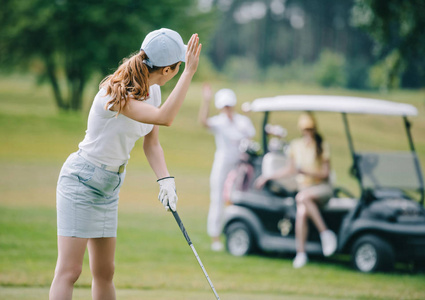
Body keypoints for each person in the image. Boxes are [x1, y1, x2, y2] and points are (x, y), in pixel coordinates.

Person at [49, 28, 201, 300]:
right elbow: (166, 118)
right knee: (70, 271)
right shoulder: (115, 91)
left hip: (110, 186)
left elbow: (151, 142)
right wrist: (189, 72)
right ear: (168, 70)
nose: (180, 70)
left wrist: (165, 179)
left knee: (105, 272)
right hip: (81, 181)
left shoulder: (153, 93)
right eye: (178, 67)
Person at [254, 112, 337, 268]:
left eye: (310, 129)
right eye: (305, 130)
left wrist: (306, 172)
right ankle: (301, 253)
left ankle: (325, 233)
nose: (308, 133)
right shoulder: (296, 145)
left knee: (302, 198)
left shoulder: (322, 146)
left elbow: (325, 174)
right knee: (302, 212)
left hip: (321, 189)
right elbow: (289, 169)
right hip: (305, 190)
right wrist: (268, 176)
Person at [199, 84, 255, 251]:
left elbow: (250, 138)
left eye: (229, 105)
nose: (227, 108)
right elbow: (203, 122)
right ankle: (215, 236)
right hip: (223, 163)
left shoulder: (243, 121)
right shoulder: (219, 122)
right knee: (217, 198)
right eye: (224, 106)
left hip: (240, 165)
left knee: (237, 198)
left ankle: (235, 232)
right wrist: (206, 100)